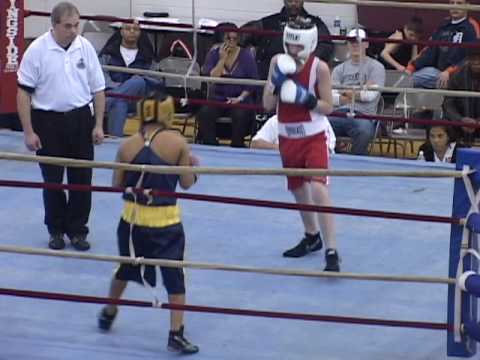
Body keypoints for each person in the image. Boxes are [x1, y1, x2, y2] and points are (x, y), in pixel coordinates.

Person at [97, 92, 199, 355]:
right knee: (175, 279)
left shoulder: (126, 144)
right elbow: (187, 184)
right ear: (167, 112)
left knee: (125, 269)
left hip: (132, 222)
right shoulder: (177, 142)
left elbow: (116, 184)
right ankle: (176, 334)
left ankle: (109, 311)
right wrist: (193, 167)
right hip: (166, 224)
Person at [16, 2, 105, 251]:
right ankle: (55, 229)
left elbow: (98, 88)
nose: (73, 30)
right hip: (48, 121)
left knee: (82, 180)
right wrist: (28, 131)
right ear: (53, 25)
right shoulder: (37, 50)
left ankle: (77, 231)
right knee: (52, 180)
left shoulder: (84, 47)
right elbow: (23, 92)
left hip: (80, 119)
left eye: (76, 25)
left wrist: (98, 124)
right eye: (68, 26)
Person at [262, 18, 340, 271]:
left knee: (318, 187)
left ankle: (331, 250)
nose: (292, 51)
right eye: (289, 45)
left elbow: (328, 106)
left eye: (297, 47)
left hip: (314, 135)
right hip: (287, 136)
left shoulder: (320, 68)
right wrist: (275, 82)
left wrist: (308, 100)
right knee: (297, 188)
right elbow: (267, 106)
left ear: (309, 43)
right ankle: (311, 236)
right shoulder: (277, 61)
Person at [196, 23, 259, 147]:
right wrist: (222, 60)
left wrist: (240, 98)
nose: (231, 42)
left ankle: (237, 145)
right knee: (205, 112)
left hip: (240, 98)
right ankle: (211, 145)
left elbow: (253, 82)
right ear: (222, 39)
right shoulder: (214, 53)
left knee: (240, 114)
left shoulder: (246, 55)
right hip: (218, 98)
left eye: (235, 39)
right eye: (228, 38)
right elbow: (211, 79)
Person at [100, 20, 163, 137]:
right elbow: (101, 75)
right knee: (119, 103)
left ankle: (104, 104)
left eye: (136, 29)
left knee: (138, 81)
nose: (132, 32)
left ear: (140, 33)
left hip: (138, 100)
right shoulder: (108, 54)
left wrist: (140, 79)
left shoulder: (147, 56)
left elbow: (157, 79)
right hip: (115, 95)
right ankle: (115, 142)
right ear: (121, 32)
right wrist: (120, 87)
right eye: (128, 28)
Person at [328, 28, 386, 156]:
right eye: (351, 42)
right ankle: (329, 161)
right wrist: (360, 90)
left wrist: (343, 91)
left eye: (359, 41)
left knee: (364, 132)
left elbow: (369, 96)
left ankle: (354, 166)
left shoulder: (376, 67)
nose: (355, 44)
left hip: (364, 115)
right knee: (318, 125)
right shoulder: (339, 69)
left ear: (366, 44)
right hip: (339, 113)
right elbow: (331, 98)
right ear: (347, 44)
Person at [243, 0, 333, 79]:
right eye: (290, 0)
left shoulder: (314, 24)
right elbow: (241, 36)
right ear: (284, 1)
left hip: (303, 75)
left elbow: (326, 45)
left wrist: (306, 62)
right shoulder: (268, 22)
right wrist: (249, 55)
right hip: (270, 75)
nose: (293, 4)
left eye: (297, 1)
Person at [406, 0, 480, 88]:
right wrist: (412, 67)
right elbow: (430, 50)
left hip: (458, 76)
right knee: (415, 77)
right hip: (438, 73)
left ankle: (395, 83)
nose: (455, 6)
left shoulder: (471, 27)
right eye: (452, 3)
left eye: (459, 3)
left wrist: (449, 71)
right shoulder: (443, 25)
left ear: (468, 5)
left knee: (409, 79)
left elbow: (472, 57)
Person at [443, 47, 480, 145]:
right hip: (460, 123)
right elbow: (448, 103)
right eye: (473, 58)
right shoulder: (457, 75)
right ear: (468, 59)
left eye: (479, 58)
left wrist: (477, 122)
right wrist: (460, 120)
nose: (477, 62)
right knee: (443, 127)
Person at [251, 114, 337, 153]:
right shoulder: (276, 120)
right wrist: (282, 149)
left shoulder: (320, 120)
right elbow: (255, 144)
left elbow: (327, 150)